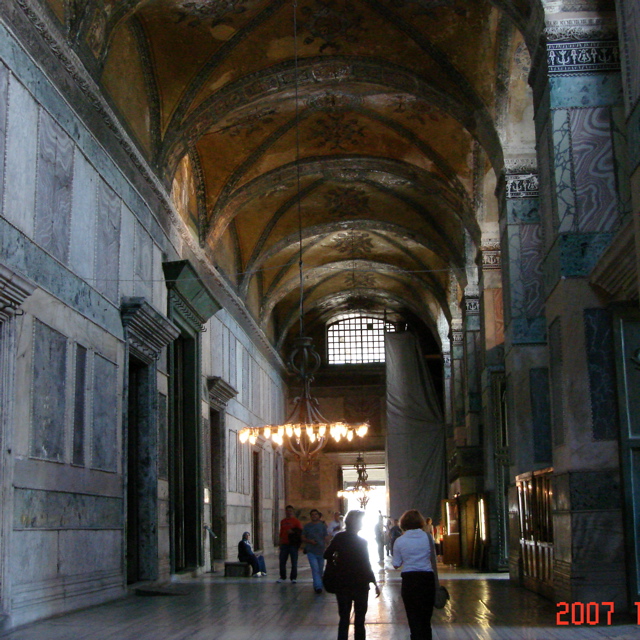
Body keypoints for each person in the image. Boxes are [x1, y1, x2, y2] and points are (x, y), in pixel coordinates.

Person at [324, 510, 380, 640]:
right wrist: (374, 583)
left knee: (344, 619)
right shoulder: (362, 542)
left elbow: (326, 554)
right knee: (360, 620)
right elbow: (366, 564)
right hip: (360, 584)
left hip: (342, 583)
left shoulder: (339, 538)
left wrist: (337, 562)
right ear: (356, 523)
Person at [392, 509, 440, 640]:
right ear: (420, 521)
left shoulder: (400, 541)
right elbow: (433, 558)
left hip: (410, 580)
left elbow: (396, 564)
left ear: (403, 523)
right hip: (427, 579)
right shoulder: (428, 538)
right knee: (426, 620)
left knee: (413, 619)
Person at [302, 508, 328, 593]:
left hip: (321, 551)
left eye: (315, 514)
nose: (314, 516)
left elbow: (326, 537)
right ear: (310, 516)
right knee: (315, 568)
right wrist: (310, 541)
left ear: (318, 515)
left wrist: (328, 546)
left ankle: (319, 583)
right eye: (312, 515)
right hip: (311, 551)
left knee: (320, 569)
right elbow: (303, 537)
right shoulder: (307, 526)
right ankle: (318, 586)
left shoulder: (322, 526)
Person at [277, 504, 303, 583]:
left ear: (293, 512)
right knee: (282, 561)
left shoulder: (296, 521)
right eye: (287, 511)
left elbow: (300, 531)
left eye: (290, 511)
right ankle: (282, 576)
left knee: (294, 561)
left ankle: (293, 577)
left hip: (293, 544)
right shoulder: (283, 521)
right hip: (284, 544)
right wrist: (280, 542)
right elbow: (281, 532)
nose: (289, 512)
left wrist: (293, 531)